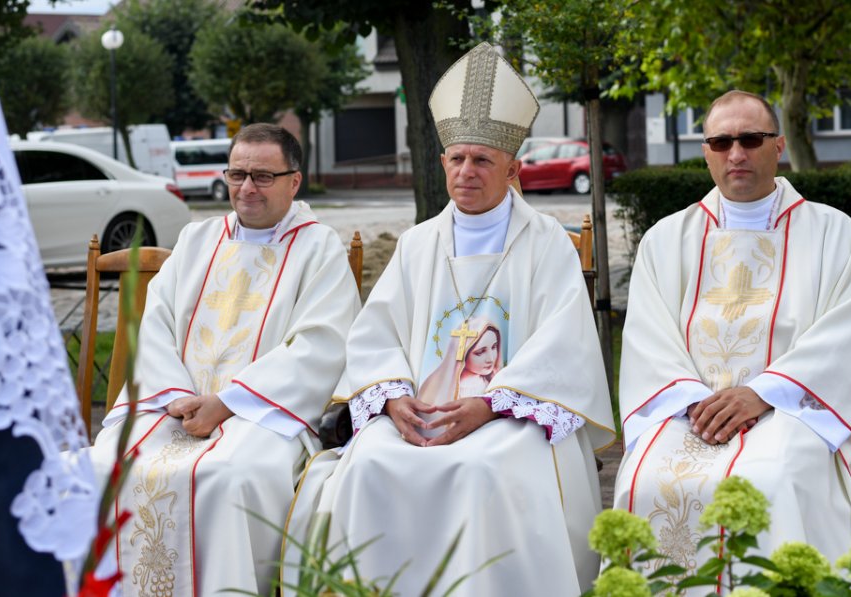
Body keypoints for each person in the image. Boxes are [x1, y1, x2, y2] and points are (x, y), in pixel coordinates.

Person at [285, 42, 614, 597]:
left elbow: (566, 348)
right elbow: (376, 334)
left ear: (512, 168)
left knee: (482, 472)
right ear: (441, 164)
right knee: (367, 465)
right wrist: (392, 399)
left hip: (511, 417)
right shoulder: (417, 245)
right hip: (420, 412)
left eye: (482, 160)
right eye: (457, 158)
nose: (467, 171)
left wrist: (488, 404)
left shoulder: (548, 244)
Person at [612, 90, 851, 575]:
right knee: (646, 478)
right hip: (692, 413)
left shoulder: (833, 233)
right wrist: (696, 401)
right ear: (706, 152)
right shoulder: (665, 239)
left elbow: (841, 341)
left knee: (774, 476)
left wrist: (760, 393)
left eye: (750, 139)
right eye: (721, 142)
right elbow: (648, 341)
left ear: (778, 145)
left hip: (791, 413)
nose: (735, 154)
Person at [89, 123, 361, 596]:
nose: (246, 188)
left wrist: (228, 403)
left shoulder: (319, 249)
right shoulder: (196, 239)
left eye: (262, 176)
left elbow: (320, 345)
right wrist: (176, 398)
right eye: (237, 174)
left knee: (228, 476)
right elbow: (154, 325)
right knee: (105, 465)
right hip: (173, 406)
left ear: (294, 181)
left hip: (262, 415)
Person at [416, 317, 503, 410]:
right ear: (463, 354)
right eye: (480, 352)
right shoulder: (447, 388)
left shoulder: (494, 382)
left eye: (494, 347)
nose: (491, 359)